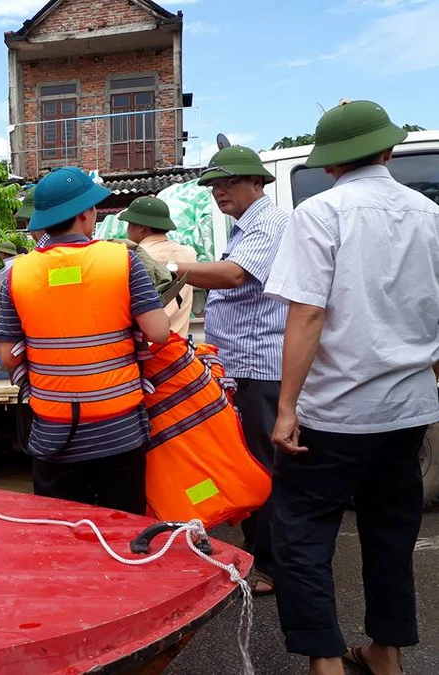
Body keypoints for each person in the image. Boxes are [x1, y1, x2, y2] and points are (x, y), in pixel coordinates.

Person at [264, 100, 439, 675]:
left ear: (331, 163)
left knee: (303, 533)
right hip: (407, 408)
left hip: (335, 412)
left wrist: (286, 407)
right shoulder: (426, 212)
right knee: (391, 535)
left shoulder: (319, 213)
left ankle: (326, 663)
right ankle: (385, 656)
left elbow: (307, 314)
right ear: (388, 150)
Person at [0, 166, 170, 513]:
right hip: (119, 432)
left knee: (65, 535)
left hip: (54, 434)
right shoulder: (123, 260)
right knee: (122, 530)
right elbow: (158, 332)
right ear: (86, 215)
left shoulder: (16, 274)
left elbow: (8, 357)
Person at [167, 145, 289, 595]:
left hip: (260, 366)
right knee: (248, 461)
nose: (220, 192)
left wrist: (168, 268)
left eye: (229, 182)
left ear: (257, 183)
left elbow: (235, 276)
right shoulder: (245, 227)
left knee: (262, 465)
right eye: (215, 185)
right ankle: (263, 553)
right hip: (242, 363)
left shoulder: (269, 225)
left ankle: (274, 565)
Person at [120, 197, 197, 337]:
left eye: (129, 224)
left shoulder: (132, 258)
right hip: (178, 348)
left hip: (148, 347)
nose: (127, 230)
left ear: (142, 228)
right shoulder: (189, 254)